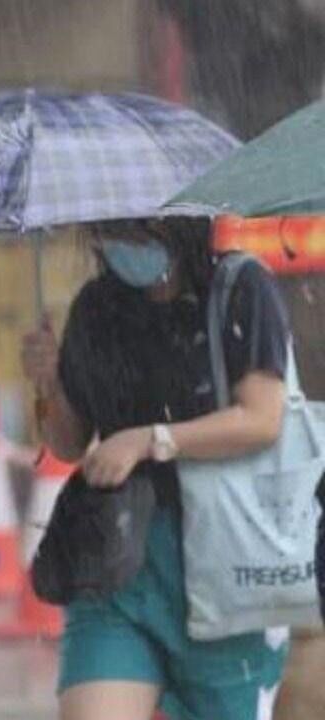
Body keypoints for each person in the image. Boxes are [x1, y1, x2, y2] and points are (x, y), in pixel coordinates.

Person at [21, 217, 292, 720]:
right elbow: (70, 443)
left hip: (224, 558)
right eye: (110, 233)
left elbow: (261, 417)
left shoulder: (238, 289)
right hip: (119, 559)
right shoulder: (97, 308)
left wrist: (152, 441)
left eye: (138, 233)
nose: (123, 248)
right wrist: (49, 383)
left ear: (178, 224)